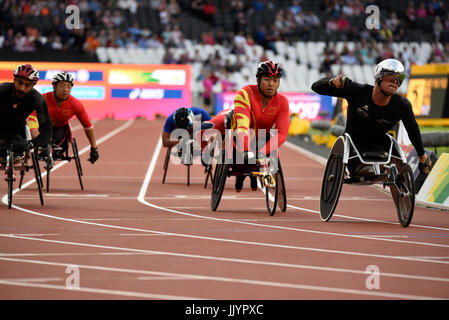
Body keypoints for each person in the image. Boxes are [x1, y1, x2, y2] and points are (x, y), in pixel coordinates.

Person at [311, 58, 432, 175]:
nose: (395, 81)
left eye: (399, 79)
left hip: (380, 148)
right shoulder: (358, 91)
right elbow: (315, 87)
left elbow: (413, 130)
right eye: (391, 77)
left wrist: (422, 155)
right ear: (379, 77)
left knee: (396, 153)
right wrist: (332, 82)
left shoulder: (402, 105)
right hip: (352, 146)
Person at [230, 60, 290, 192]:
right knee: (242, 159)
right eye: (267, 79)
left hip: (260, 142)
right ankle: (241, 173)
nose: (271, 84)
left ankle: (257, 170)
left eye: (275, 80)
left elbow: (282, 134)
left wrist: (263, 152)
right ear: (258, 80)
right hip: (240, 141)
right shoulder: (245, 94)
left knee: (271, 141)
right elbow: (242, 125)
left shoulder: (282, 102)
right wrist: (246, 149)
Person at [29, 71, 99, 163]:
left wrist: (94, 148)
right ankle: (43, 149)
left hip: (61, 130)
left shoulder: (76, 104)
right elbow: (32, 117)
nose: (65, 89)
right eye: (62, 86)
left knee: (60, 134)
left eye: (69, 86)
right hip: (42, 129)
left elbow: (88, 126)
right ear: (54, 86)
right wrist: (34, 131)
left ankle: (57, 151)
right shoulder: (42, 99)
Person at [0, 64, 52, 180]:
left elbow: (46, 132)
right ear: (14, 80)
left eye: (27, 85)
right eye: (19, 83)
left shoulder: (37, 99)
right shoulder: (2, 90)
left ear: (33, 86)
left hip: (17, 133)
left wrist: (32, 144)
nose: (22, 88)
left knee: (21, 145)